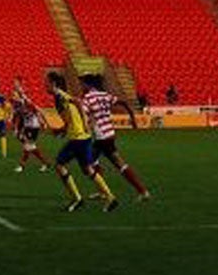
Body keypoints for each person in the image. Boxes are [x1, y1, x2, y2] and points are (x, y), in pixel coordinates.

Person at [47, 71, 116, 212]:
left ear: (53, 84)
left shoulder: (60, 95)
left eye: (46, 83)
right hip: (83, 137)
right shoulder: (59, 97)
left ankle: (77, 199)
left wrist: (84, 123)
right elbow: (70, 118)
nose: (44, 86)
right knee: (88, 169)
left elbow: (78, 102)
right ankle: (110, 197)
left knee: (59, 165)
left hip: (78, 138)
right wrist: (61, 130)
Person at [79, 73, 150, 202]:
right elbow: (123, 102)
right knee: (102, 162)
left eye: (82, 84)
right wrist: (132, 118)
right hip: (109, 134)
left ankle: (140, 191)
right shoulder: (104, 95)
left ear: (87, 84)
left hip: (101, 137)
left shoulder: (88, 99)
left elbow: (82, 114)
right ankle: (140, 191)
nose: (80, 86)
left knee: (87, 165)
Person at [10, 79, 46, 173]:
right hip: (28, 126)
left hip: (34, 126)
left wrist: (43, 122)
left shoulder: (25, 102)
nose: (13, 96)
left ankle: (22, 166)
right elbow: (17, 116)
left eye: (14, 95)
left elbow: (37, 110)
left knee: (27, 146)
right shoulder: (17, 105)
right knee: (30, 146)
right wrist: (16, 128)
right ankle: (45, 163)